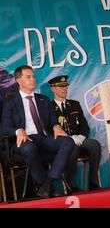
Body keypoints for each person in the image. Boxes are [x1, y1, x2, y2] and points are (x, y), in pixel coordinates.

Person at [1, 65, 75, 198]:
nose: (33, 79)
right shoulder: (10, 102)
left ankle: (47, 184)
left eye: (33, 76)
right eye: (28, 77)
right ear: (18, 80)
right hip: (24, 140)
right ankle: (44, 185)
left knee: (68, 142)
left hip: (43, 138)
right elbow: (4, 127)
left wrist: (56, 126)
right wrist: (18, 130)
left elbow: (53, 121)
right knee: (29, 148)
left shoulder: (44, 100)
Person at [49, 75, 101, 192]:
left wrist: (81, 136)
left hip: (79, 139)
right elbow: (49, 129)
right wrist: (69, 139)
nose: (64, 89)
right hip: (63, 143)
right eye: (61, 86)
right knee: (72, 148)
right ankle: (71, 185)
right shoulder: (49, 107)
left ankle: (93, 182)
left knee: (95, 145)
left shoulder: (74, 104)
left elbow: (84, 126)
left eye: (66, 86)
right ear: (53, 89)